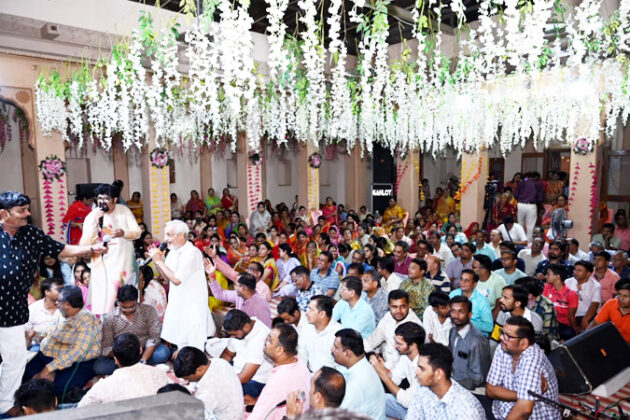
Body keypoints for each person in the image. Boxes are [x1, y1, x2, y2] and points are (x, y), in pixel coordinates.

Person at [0, 190, 109, 417]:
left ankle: (4, 406)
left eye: (28, 209)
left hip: (13, 314)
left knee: (14, 363)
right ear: (3, 214)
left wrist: (90, 249)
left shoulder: (30, 234)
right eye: (21, 211)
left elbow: (62, 249)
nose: (27, 214)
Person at [22, 285, 101, 399]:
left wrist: (49, 368)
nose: (56, 303)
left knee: (57, 389)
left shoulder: (87, 320)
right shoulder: (60, 312)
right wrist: (35, 334)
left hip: (76, 362)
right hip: (48, 355)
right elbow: (49, 331)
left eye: (58, 301)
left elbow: (77, 352)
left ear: (66, 304)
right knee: (23, 375)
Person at [80, 183, 142, 316]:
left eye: (106, 198)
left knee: (128, 298)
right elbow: (84, 244)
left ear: (114, 199)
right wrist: (94, 223)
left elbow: (137, 232)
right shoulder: (92, 216)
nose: (102, 202)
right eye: (99, 198)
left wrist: (123, 232)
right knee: (106, 303)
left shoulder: (123, 211)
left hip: (125, 263)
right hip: (104, 265)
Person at [148, 220, 209, 351]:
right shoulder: (173, 252)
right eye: (166, 235)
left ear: (181, 235)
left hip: (192, 306)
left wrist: (159, 261)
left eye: (169, 235)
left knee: (194, 347)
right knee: (181, 343)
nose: (165, 239)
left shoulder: (192, 253)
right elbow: (166, 279)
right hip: (178, 304)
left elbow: (176, 279)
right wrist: (158, 262)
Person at [486, 316, 560, 420]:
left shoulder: (532, 359)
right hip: (501, 411)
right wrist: (524, 395)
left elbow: (524, 410)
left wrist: (524, 398)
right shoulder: (503, 348)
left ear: (523, 343)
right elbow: (490, 390)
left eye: (508, 336)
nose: (501, 338)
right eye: (502, 332)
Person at [93, 285, 167, 376]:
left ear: (137, 300)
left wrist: (143, 360)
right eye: (124, 307)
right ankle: (131, 367)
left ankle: (136, 366)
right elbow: (106, 346)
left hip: (143, 351)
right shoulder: (110, 318)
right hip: (120, 357)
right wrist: (123, 358)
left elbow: (154, 338)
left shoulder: (149, 311)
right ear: (118, 302)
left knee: (163, 353)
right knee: (99, 367)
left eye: (132, 307)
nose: (128, 310)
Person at [78, 333, 169, 407]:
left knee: (67, 408)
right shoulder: (159, 374)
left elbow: (80, 410)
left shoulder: (102, 387)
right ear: (140, 350)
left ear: (115, 359)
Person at [406, 342, 486, 419]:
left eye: (422, 369)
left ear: (438, 373)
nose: (416, 372)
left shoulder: (466, 408)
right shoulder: (422, 389)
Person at [251, 323, 312, 420]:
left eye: (269, 340)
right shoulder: (299, 363)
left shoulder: (278, 381)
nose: (265, 341)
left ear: (279, 350)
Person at [369, 322, 425, 419]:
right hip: (410, 404)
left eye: (399, 343)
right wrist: (382, 367)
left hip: (421, 411)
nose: (395, 346)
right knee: (374, 399)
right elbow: (395, 379)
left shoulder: (424, 366)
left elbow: (407, 401)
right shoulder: (406, 357)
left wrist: (383, 375)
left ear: (413, 345)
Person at [173, 346, 244, 420]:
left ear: (200, 370)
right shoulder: (219, 362)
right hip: (236, 411)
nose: (187, 381)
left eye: (187, 378)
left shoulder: (207, 392)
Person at [332, 329, 386, 420]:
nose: (331, 349)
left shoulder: (356, 385)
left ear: (347, 353)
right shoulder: (363, 366)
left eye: (336, 348)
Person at [220, 309, 273, 400]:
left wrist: (220, 382)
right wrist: (218, 369)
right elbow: (228, 354)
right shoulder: (243, 327)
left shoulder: (259, 340)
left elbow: (245, 377)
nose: (232, 337)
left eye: (234, 334)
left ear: (245, 327)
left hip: (256, 380)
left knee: (221, 393)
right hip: (238, 370)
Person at [364, 289, 422, 370]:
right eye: (394, 307)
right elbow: (373, 340)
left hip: (402, 371)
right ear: (389, 306)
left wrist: (382, 365)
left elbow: (401, 361)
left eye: (402, 306)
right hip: (382, 361)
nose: (399, 311)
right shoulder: (388, 317)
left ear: (408, 305)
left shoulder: (414, 326)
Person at [206, 261, 272, 327]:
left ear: (243, 288)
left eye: (236, 285)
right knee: (210, 317)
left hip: (248, 334)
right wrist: (212, 276)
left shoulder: (260, 305)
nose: (234, 287)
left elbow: (265, 329)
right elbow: (220, 294)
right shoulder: (240, 295)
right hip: (237, 328)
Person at [448, 296, 491, 390]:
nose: (456, 315)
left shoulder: (477, 340)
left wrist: (452, 386)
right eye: (453, 311)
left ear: (470, 314)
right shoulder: (453, 331)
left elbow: (479, 377)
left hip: (469, 390)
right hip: (452, 383)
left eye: (461, 312)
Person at [299, 295, 343, 373]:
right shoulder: (306, 327)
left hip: (330, 378)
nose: (306, 313)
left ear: (322, 314)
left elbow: (341, 367)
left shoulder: (339, 333)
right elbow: (302, 356)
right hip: (309, 374)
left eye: (311, 310)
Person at [449, 269, 493, 335]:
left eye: (466, 280)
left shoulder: (482, 301)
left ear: (474, 284)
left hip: (475, 336)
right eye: (461, 279)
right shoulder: (453, 294)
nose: (462, 282)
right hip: (455, 331)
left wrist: (466, 321)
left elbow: (489, 327)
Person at [515, 277, 560, 342]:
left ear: (529, 296)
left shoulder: (547, 305)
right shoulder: (521, 301)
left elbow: (546, 331)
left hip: (545, 338)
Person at [25, 278, 64, 349]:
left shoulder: (66, 307)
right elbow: (27, 335)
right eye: (58, 289)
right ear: (47, 292)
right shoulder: (33, 309)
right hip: (38, 348)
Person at [543, 264, 578, 340]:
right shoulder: (547, 287)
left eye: (548, 274)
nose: (545, 276)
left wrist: (576, 332)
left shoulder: (571, 294)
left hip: (562, 325)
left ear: (557, 276)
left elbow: (571, 316)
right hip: (547, 321)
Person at [565, 260, 601, 332]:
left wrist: (586, 319)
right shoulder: (568, 282)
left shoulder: (595, 286)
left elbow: (594, 305)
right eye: (575, 269)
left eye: (579, 270)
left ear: (588, 274)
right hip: (570, 314)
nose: (575, 272)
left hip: (586, 315)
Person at [514, 172, 543, 242]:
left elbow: (515, 195)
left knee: (520, 224)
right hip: (531, 205)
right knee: (530, 226)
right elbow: (540, 198)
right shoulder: (537, 184)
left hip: (521, 204)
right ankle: (528, 243)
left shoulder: (521, 183)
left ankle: (520, 241)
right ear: (535, 177)